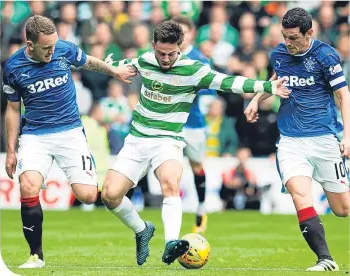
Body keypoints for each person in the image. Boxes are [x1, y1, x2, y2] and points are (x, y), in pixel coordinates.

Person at [103, 20, 290, 266]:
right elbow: (124, 67)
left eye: (171, 53)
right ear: (153, 46)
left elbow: (228, 82)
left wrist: (267, 86)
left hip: (168, 141)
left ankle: (171, 242)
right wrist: (111, 67)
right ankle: (142, 230)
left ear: (181, 46)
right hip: (137, 139)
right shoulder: (145, 60)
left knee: (170, 182)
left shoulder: (194, 70)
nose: (166, 58)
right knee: (109, 195)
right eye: (161, 53)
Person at [3, 15, 135, 269]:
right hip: (34, 136)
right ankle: (36, 256)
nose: (52, 52)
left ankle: (134, 216)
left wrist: (113, 70)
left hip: (70, 132)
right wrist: (11, 150)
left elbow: (88, 62)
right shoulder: (13, 67)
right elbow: (12, 109)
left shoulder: (63, 49)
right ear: (30, 45)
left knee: (87, 195)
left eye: (54, 46)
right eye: (46, 48)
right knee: (28, 186)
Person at [244, 8, 350, 271]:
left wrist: (347, 135)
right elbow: (277, 80)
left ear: (309, 33)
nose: (288, 43)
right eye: (285, 36)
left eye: (293, 37)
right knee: (300, 196)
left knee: (342, 209)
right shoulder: (279, 54)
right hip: (291, 140)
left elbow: (343, 96)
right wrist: (257, 99)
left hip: (325, 138)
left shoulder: (325, 56)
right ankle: (325, 259)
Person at [172, 15, 216, 234]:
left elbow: (209, 95)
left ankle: (201, 208)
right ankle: (173, 212)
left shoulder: (200, 60)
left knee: (196, 166)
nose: (180, 36)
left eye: (184, 32)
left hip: (193, 124)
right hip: (171, 124)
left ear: (192, 34)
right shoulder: (165, 56)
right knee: (170, 169)